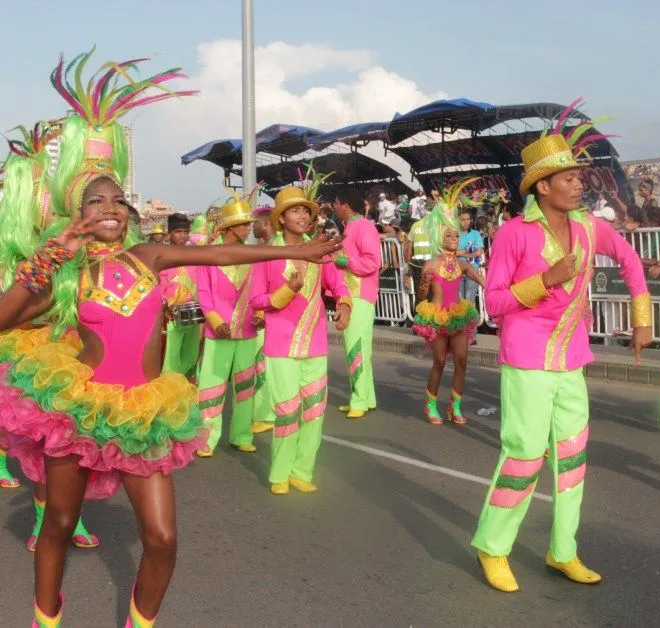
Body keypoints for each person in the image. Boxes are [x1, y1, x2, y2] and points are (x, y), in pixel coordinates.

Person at [0, 51, 343, 626]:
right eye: (95, 201)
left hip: (145, 412)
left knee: (161, 538)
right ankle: (46, 616)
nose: (110, 207)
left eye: (117, 199)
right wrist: (54, 251)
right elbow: (6, 315)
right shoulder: (64, 274)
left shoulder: (149, 255)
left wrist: (293, 249)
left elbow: (221, 251)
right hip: (79, 408)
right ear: (75, 211)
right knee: (57, 525)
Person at [471, 100, 652, 592]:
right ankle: (493, 547)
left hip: (572, 361)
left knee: (572, 458)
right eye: (568, 178)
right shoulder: (513, 233)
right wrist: (546, 280)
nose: (579, 184)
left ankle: (562, 551)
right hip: (527, 361)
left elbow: (633, 262)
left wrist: (641, 318)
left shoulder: (593, 229)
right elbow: (494, 303)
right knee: (525, 456)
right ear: (542, 186)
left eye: (579, 177)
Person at [0, 119, 101, 551]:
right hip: (31, 352)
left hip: (73, 348)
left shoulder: (76, 238)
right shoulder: (17, 253)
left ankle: (66, 515)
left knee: (75, 441)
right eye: (35, 190)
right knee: (45, 444)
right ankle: (48, 518)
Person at [249, 187, 351, 495]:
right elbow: (256, 299)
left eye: (306, 210)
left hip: (315, 343)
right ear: (281, 218)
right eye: (295, 211)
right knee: (288, 411)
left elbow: (337, 283)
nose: (302, 215)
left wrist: (344, 305)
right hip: (281, 345)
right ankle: (280, 473)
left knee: (315, 412)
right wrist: (287, 290)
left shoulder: (318, 249)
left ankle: (301, 471)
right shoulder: (268, 253)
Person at [193, 193, 263, 458]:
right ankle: (206, 440)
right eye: (245, 225)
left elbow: (261, 288)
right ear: (230, 228)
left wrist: (261, 315)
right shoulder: (208, 255)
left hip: (247, 330)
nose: (249, 229)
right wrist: (215, 320)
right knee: (212, 385)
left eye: (249, 224)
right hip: (218, 331)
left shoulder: (254, 255)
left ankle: (242, 435)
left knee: (246, 385)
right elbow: (204, 293)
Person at [412, 181, 485, 425]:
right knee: (440, 362)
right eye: (449, 234)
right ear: (438, 237)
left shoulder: (464, 264)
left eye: (455, 234)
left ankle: (455, 407)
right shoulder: (430, 265)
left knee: (462, 361)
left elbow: (485, 282)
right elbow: (422, 298)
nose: (454, 238)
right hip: (437, 316)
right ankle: (430, 405)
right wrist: (424, 285)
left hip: (458, 316)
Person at [331, 187, 382, 419]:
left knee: (355, 347)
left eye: (336, 202)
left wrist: (344, 261)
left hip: (360, 294)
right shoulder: (352, 227)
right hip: (352, 294)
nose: (333, 206)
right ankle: (366, 397)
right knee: (361, 347)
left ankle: (359, 400)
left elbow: (372, 262)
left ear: (345, 205)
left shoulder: (364, 226)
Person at [159, 213, 202, 381]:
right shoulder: (162, 255)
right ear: (169, 233)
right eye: (178, 231)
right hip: (171, 314)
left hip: (194, 311)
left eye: (185, 231)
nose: (183, 235)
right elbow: (158, 283)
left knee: (191, 353)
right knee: (171, 353)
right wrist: (164, 305)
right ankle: (170, 388)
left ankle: (188, 387)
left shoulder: (194, 255)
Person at [250, 204, 277, 434]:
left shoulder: (275, 249)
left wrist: (260, 312)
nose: (252, 227)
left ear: (266, 223)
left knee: (263, 365)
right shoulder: (263, 247)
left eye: (255, 222)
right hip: (262, 314)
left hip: (270, 317)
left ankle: (266, 415)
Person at [457, 207, 485, 304]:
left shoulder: (475, 234)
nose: (466, 222)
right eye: (463, 220)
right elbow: (452, 253)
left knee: (470, 301)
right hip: (457, 271)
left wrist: (462, 253)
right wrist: (467, 251)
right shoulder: (455, 234)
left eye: (468, 219)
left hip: (473, 270)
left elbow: (478, 252)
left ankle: (471, 319)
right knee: (459, 302)